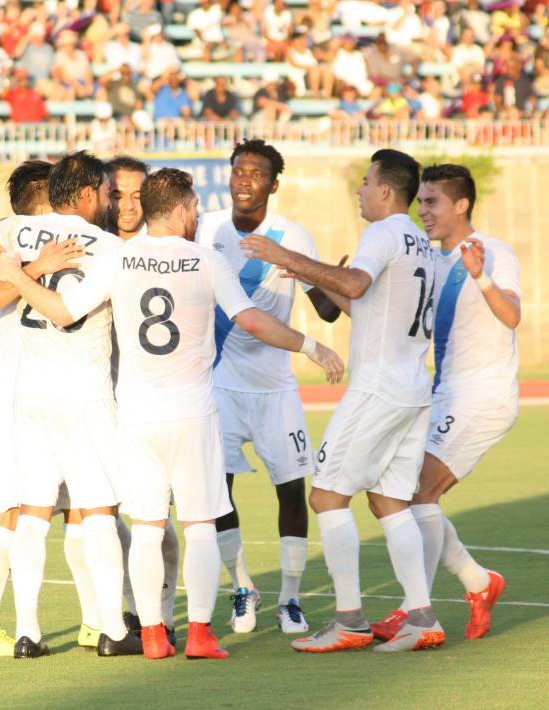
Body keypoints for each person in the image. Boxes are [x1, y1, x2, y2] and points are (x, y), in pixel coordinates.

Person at [0, 168, 344, 660]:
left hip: (138, 416)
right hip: (193, 413)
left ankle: (154, 635)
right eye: (196, 207)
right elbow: (251, 321)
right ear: (180, 210)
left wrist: (14, 276)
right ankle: (199, 634)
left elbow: (62, 311)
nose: (198, 215)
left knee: (146, 529)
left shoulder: (118, 258)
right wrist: (309, 345)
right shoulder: (207, 260)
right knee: (200, 526)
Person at [242, 149, 442, 653]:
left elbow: (354, 280)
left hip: (377, 387)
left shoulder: (383, 232)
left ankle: (349, 620)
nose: (359, 190)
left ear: (386, 191)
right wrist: (311, 276)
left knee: (326, 496)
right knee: (390, 501)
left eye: (366, 182)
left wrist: (284, 256)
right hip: (414, 386)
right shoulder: (423, 241)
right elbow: (369, 308)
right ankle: (423, 618)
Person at [0, 151, 136, 659]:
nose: (112, 202)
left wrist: (17, 261)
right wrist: (33, 276)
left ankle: (27, 630)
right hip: (83, 391)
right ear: (90, 194)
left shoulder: (18, 230)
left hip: (29, 392)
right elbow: (68, 312)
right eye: (109, 194)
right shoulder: (109, 247)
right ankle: (112, 628)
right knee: (98, 510)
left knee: (33, 510)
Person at [368, 163, 521, 644]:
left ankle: (416, 610)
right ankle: (478, 582)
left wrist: (482, 278)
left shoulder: (493, 252)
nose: (423, 211)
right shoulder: (433, 261)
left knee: (414, 494)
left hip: (482, 393)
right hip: (443, 393)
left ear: (462, 204)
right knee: (399, 492)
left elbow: (512, 315)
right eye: (421, 202)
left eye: (432, 202)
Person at [196, 140, 341, 635]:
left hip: (276, 386)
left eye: (256, 174)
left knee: (291, 491)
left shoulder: (292, 235)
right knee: (220, 491)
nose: (244, 180)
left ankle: (290, 599)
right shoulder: (206, 228)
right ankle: (242, 588)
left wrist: (318, 275)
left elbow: (326, 309)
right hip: (219, 383)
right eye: (239, 171)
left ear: (273, 184)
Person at [0, 161, 90, 657]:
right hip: (16, 402)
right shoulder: (11, 254)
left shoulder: (65, 247)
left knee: (81, 509)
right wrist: (35, 267)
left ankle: (95, 619)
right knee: (12, 512)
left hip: (60, 395)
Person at [102, 155, 182, 646]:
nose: (127, 205)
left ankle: (164, 614)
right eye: (117, 194)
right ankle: (114, 616)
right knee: (99, 517)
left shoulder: (172, 250)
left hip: (152, 405)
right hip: (97, 403)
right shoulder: (94, 249)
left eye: (137, 194)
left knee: (157, 521)